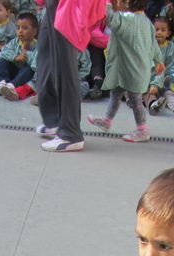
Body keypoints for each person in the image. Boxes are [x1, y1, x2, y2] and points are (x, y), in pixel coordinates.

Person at [86, 0, 165, 142]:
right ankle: (107, 120)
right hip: (131, 69)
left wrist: (106, 3)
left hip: (131, 69)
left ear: (128, 4)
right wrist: (159, 60)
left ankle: (142, 130)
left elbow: (110, 18)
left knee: (135, 101)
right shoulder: (146, 21)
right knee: (115, 94)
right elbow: (153, 44)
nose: (117, 3)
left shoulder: (127, 19)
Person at [35, 0, 105, 152]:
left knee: (63, 66)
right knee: (46, 55)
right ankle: (54, 121)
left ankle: (70, 134)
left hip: (70, 5)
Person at [0, 11, 41, 99]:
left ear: (34, 31)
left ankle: (11, 86)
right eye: (18, 28)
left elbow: (35, 65)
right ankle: (2, 82)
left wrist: (25, 52)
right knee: (2, 61)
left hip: (23, 76)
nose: (20, 31)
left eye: (25, 28)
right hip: (14, 70)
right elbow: (4, 52)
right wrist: (15, 57)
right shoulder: (15, 41)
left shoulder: (37, 46)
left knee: (29, 69)